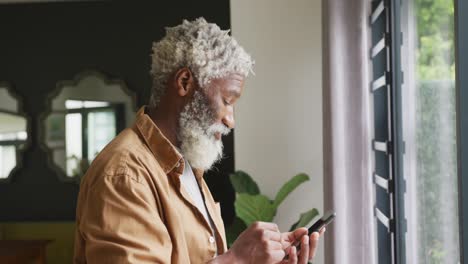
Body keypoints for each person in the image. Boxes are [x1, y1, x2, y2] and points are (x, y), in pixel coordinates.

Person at [73, 17, 324, 264]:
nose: (230, 120)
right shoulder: (125, 175)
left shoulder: (186, 168)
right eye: (227, 101)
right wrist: (237, 259)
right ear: (184, 82)